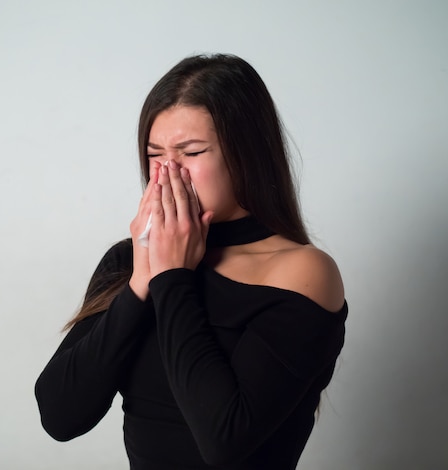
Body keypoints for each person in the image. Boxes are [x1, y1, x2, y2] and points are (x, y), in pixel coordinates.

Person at [35, 53, 347, 469]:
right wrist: (142, 280)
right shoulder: (129, 261)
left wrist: (172, 277)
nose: (168, 173)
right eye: (154, 154)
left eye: (192, 152)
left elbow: (224, 443)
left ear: (246, 155)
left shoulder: (304, 272)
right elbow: (60, 417)